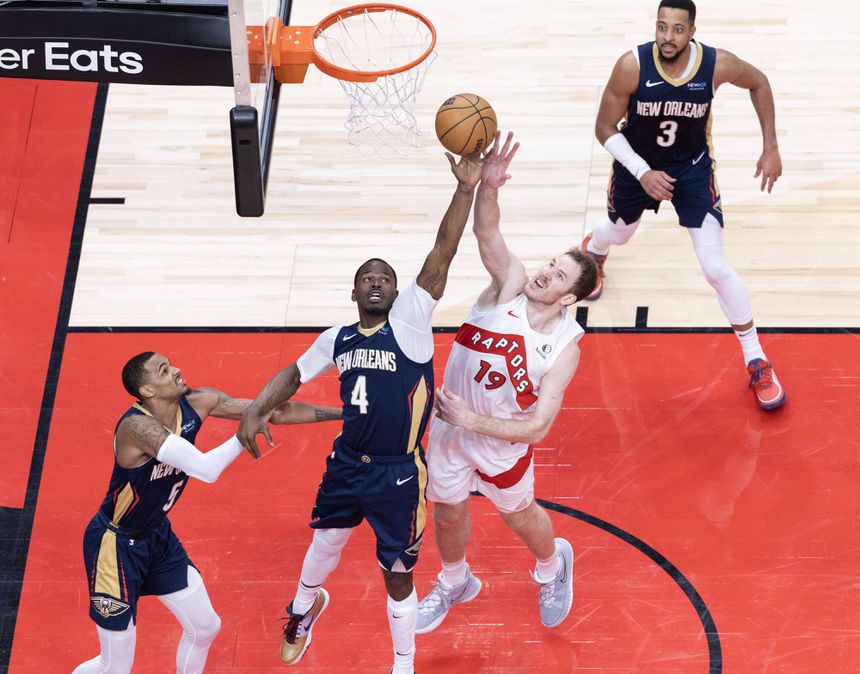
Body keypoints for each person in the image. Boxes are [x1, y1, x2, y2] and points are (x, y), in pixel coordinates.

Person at [236, 146, 486, 674]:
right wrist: (258, 407)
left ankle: (403, 663)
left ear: (398, 292)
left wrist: (465, 188)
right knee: (325, 542)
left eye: (385, 278)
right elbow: (294, 374)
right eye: (367, 278)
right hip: (347, 462)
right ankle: (303, 609)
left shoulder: (411, 320)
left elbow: (442, 252)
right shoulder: (337, 338)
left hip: (398, 472)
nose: (376, 282)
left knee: (396, 573)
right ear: (353, 292)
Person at [416, 132, 598, 635]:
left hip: (501, 444)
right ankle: (455, 582)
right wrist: (489, 185)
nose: (545, 274)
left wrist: (471, 419)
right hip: (451, 433)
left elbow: (538, 428)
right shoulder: (509, 286)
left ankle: (552, 566)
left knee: (520, 516)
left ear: (568, 298)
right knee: (447, 514)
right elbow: (487, 232)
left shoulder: (565, 347)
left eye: (558, 277)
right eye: (550, 265)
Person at [74, 351, 340, 674]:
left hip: (157, 537)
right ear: (147, 390)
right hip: (115, 547)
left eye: (171, 363)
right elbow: (205, 469)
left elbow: (272, 411)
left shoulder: (198, 401)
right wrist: (244, 434)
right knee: (115, 665)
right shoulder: (137, 428)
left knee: (205, 627)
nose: (176, 369)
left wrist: (347, 415)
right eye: (164, 370)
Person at [581, 0, 786, 410]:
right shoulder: (632, 66)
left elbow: (759, 82)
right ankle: (595, 250)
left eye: (677, 29)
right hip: (636, 167)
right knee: (620, 232)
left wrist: (770, 146)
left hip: (691, 169)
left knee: (715, 267)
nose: (667, 37)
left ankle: (756, 359)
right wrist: (642, 172)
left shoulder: (716, 64)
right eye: (661, 27)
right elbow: (604, 127)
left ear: (692, 31)